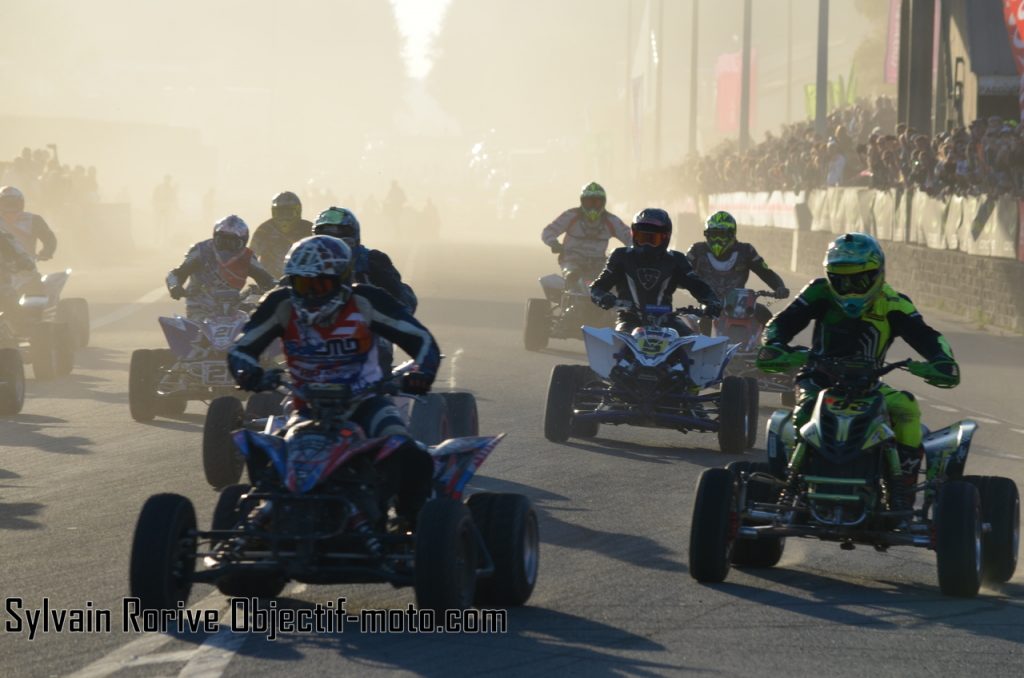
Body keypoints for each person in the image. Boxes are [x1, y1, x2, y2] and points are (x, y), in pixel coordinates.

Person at [227, 235, 440, 528]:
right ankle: (265, 515)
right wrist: (248, 372)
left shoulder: (366, 301)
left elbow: (422, 340)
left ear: (342, 280)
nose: (310, 295)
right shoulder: (281, 304)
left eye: (320, 285)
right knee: (265, 454)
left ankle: (410, 524)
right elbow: (241, 347)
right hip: (304, 408)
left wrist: (421, 376)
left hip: (366, 404)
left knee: (410, 454)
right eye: (302, 285)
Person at [756, 233, 960, 511]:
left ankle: (902, 490)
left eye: (859, 279)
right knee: (804, 412)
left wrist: (941, 361)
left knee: (906, 408)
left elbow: (928, 337)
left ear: (877, 273)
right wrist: (775, 346)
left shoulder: (894, 302)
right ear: (829, 275)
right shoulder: (818, 291)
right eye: (840, 279)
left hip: (869, 385)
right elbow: (780, 324)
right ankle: (792, 486)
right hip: (818, 377)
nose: (849, 287)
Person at [589, 208, 721, 335]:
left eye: (652, 239)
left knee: (693, 343)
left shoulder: (676, 259)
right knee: (616, 345)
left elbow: (698, 286)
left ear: (665, 238)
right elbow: (597, 287)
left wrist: (712, 302)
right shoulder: (620, 256)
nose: (646, 245)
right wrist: (605, 298)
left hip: (667, 321)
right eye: (642, 238)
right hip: (629, 321)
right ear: (634, 236)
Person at [685, 210, 789, 334]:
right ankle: (702, 349)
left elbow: (766, 272)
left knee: (767, 316)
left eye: (722, 234)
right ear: (707, 235)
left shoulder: (746, 251)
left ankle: (769, 348)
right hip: (709, 305)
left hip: (740, 304)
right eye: (714, 234)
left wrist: (780, 287)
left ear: (732, 234)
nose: (718, 239)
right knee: (699, 322)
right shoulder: (696, 250)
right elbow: (682, 273)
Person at [165, 215, 276, 320]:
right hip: (200, 308)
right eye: (222, 241)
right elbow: (176, 273)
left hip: (234, 309)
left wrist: (281, 291)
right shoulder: (201, 251)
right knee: (196, 333)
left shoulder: (247, 257)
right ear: (214, 238)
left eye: (232, 243)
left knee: (257, 305)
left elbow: (268, 281)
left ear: (243, 242)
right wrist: (175, 286)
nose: (225, 248)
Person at [311, 207, 417, 312]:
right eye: (325, 238)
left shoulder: (372, 261)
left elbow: (404, 303)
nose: (331, 247)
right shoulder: (308, 265)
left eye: (337, 238)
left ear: (353, 236)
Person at [541, 182, 631, 288]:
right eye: (589, 202)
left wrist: (633, 252)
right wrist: (554, 243)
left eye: (596, 202)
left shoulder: (611, 220)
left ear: (603, 203)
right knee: (572, 275)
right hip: (572, 260)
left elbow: (630, 238)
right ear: (582, 202)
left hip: (599, 263)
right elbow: (548, 231)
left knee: (617, 280)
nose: (593, 207)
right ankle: (568, 297)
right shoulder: (571, 216)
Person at [250, 191, 313, 278]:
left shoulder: (309, 229)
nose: (284, 217)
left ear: (298, 212)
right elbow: (251, 257)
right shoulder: (264, 230)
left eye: (289, 212)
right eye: (280, 212)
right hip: (269, 281)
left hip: (302, 280)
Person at [0, 186, 58, 262]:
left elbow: (49, 239)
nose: (11, 211)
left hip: (27, 267)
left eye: (14, 205)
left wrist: (45, 253)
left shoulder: (34, 220)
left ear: (21, 205)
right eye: (6, 205)